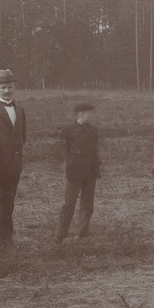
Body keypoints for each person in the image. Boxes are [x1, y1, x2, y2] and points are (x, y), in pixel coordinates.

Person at [0, 68, 28, 248]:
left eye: (9, 87)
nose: (7, 91)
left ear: (14, 88)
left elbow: (22, 137)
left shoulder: (20, 109)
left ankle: (5, 239)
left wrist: (15, 160)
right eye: (3, 88)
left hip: (13, 167)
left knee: (8, 204)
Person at [56, 102, 101, 243]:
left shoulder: (93, 131)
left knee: (88, 204)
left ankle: (81, 234)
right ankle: (60, 235)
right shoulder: (68, 130)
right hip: (74, 173)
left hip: (90, 172)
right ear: (80, 114)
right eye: (89, 113)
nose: (92, 116)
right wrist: (67, 166)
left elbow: (94, 151)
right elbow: (62, 151)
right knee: (69, 204)